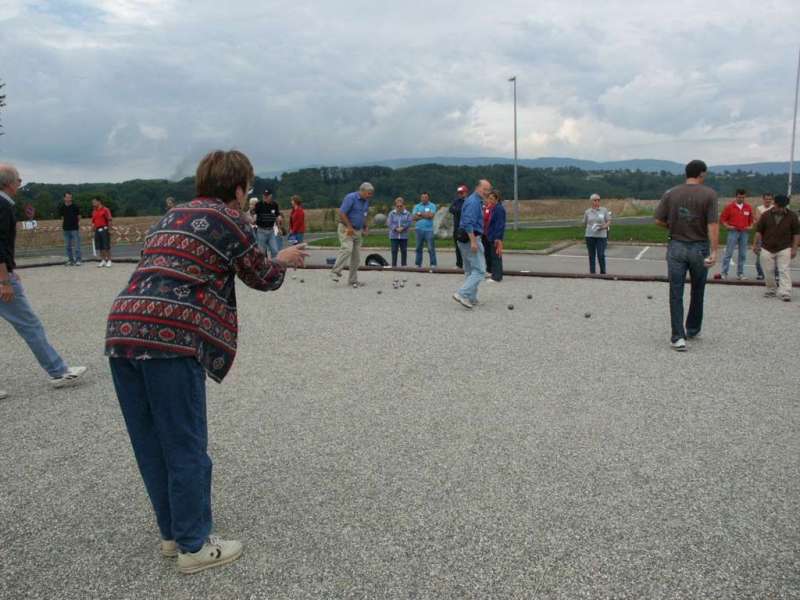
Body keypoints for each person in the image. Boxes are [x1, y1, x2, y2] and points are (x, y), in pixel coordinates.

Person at [105, 149, 308, 574]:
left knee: (151, 443)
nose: (246, 195)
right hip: (171, 338)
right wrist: (283, 260)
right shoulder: (228, 217)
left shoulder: (173, 214)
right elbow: (262, 276)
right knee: (185, 444)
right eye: (247, 187)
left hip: (123, 328)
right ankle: (195, 545)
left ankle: (172, 533)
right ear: (238, 189)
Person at [0, 163, 88, 393]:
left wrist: (9, 267)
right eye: (19, 180)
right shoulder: (2, 205)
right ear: (9, 183)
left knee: (28, 324)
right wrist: (4, 279)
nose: (20, 182)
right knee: (30, 324)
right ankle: (58, 371)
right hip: (1, 278)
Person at [654, 159, 719, 351]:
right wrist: (714, 251)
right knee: (698, 289)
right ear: (701, 174)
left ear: (686, 173)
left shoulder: (671, 193)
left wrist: (672, 225)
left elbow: (658, 220)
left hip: (676, 245)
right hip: (699, 247)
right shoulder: (710, 194)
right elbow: (713, 225)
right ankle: (692, 328)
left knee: (676, 292)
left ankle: (677, 337)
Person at [453, 179, 491, 308]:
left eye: (488, 190)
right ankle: (462, 294)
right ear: (478, 188)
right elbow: (468, 223)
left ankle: (472, 298)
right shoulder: (474, 202)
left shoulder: (473, 201)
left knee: (470, 270)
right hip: (471, 239)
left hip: (464, 239)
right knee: (480, 271)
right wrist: (474, 241)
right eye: (485, 189)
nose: (487, 192)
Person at [752, 194, 799, 301]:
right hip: (767, 246)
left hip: (785, 246)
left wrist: (795, 248)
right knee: (768, 270)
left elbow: (796, 234)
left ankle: (785, 292)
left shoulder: (792, 216)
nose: (782, 209)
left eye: (784, 207)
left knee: (784, 270)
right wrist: (755, 245)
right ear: (775, 204)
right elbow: (759, 231)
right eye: (780, 206)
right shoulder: (765, 215)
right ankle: (771, 289)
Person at [330, 182, 373, 287]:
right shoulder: (351, 198)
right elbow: (342, 213)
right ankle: (335, 272)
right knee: (347, 249)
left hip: (358, 230)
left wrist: (365, 226)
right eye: (368, 193)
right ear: (362, 191)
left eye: (371, 194)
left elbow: (363, 215)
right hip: (346, 228)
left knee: (356, 257)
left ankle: (353, 280)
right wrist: (349, 227)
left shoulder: (366, 201)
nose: (370, 196)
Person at [719, 188, 754, 280]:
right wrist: (727, 226)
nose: (741, 199)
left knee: (742, 254)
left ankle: (740, 273)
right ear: (736, 196)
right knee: (729, 253)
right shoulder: (729, 207)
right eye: (739, 197)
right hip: (733, 231)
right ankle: (724, 272)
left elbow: (751, 221)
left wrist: (750, 226)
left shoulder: (748, 207)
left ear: (745, 197)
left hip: (744, 232)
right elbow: (722, 219)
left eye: (743, 197)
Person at [583, 193, 611, 274]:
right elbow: (584, 223)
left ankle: (603, 272)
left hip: (601, 236)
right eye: (595, 200)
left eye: (599, 200)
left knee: (601, 254)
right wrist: (590, 228)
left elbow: (609, 221)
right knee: (591, 255)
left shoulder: (604, 210)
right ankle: (592, 273)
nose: (597, 201)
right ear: (591, 201)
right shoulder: (587, 212)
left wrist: (604, 226)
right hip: (590, 236)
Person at [484, 189, 506, 282]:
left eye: (492, 198)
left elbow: (500, 224)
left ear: (497, 199)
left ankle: (497, 277)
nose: (489, 200)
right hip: (490, 235)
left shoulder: (499, 209)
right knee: (492, 256)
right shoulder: (493, 208)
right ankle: (494, 273)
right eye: (489, 198)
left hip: (495, 236)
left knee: (496, 256)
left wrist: (498, 237)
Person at [253, 188, 281, 257]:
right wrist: (254, 218)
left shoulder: (275, 205)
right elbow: (254, 214)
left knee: (275, 250)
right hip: (261, 231)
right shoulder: (258, 205)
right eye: (264, 195)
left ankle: (274, 265)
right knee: (261, 252)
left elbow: (277, 216)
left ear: (270, 196)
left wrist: (279, 227)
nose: (265, 197)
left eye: (267, 195)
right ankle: (263, 266)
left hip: (271, 231)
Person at [754, 192, 775, 280]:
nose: (768, 201)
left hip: (773, 235)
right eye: (766, 199)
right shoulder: (759, 208)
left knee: (773, 256)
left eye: (770, 199)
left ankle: (774, 275)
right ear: (763, 199)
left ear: (772, 200)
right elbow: (759, 222)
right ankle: (760, 273)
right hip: (761, 235)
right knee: (759, 256)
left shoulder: (774, 208)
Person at [413, 192, 437, 268]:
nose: (424, 199)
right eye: (422, 197)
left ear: (428, 198)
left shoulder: (432, 205)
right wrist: (425, 214)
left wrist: (419, 214)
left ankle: (433, 264)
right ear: (421, 198)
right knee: (418, 248)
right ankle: (418, 264)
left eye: (425, 197)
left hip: (429, 230)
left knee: (430, 248)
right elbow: (414, 217)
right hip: (418, 229)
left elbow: (431, 215)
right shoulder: (417, 206)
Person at [387, 196, 412, 267]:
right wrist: (395, 228)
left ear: (403, 205)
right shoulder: (391, 213)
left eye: (401, 206)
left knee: (404, 251)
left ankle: (404, 265)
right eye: (397, 206)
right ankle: (394, 265)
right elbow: (389, 222)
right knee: (394, 251)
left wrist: (403, 228)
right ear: (395, 206)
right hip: (394, 236)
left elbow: (409, 222)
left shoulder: (407, 213)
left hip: (404, 236)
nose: (399, 207)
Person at [59, 191, 82, 266]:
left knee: (77, 245)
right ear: (64, 198)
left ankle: (78, 260)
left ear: (71, 198)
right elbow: (62, 217)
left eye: (70, 197)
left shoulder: (75, 206)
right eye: (67, 197)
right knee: (67, 246)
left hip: (74, 228)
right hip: (66, 229)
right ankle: (70, 260)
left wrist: (77, 224)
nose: (69, 198)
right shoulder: (62, 207)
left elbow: (79, 217)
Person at [449, 185, 469, 269]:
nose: (460, 194)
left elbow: (464, 211)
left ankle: (469, 264)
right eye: (459, 193)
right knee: (458, 247)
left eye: (462, 193)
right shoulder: (456, 201)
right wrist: (459, 210)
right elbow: (451, 209)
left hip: (466, 228)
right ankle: (459, 264)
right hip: (457, 228)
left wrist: (458, 210)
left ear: (466, 193)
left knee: (468, 247)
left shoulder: (469, 201)